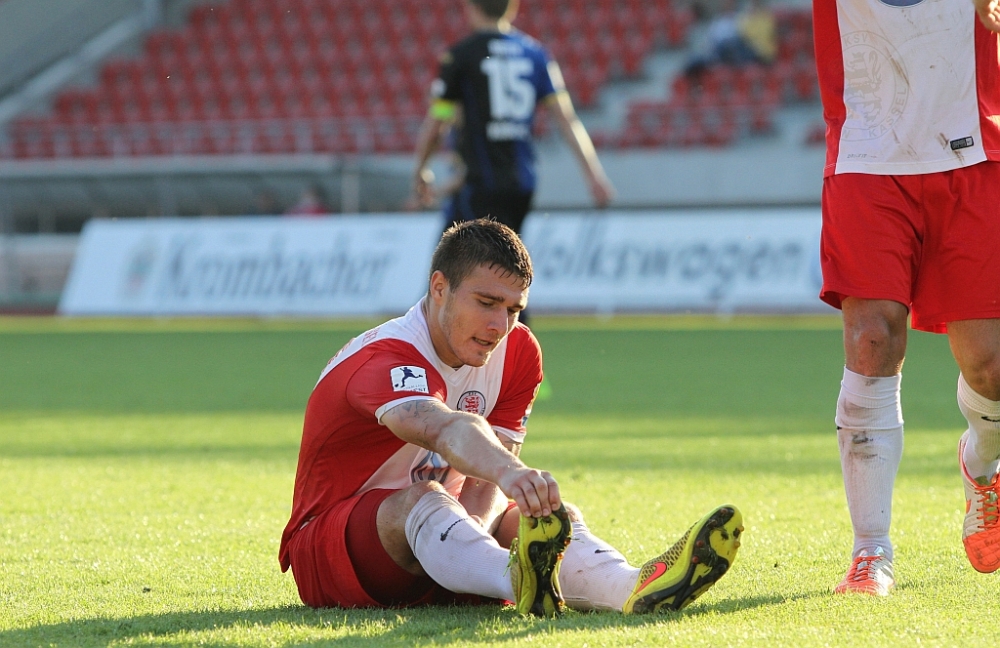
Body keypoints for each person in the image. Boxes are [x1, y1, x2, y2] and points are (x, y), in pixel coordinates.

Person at [278, 218, 743, 615]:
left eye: (514, 309)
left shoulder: (518, 352)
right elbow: (444, 428)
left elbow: (485, 486)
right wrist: (510, 472)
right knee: (424, 498)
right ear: (439, 288)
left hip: (443, 545)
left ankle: (633, 588)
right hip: (334, 555)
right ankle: (516, 578)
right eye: (486, 303)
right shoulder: (386, 356)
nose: (500, 326)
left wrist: (479, 532)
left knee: (544, 518)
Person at [813, 0, 1000, 596]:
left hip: (973, 146)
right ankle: (870, 550)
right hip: (869, 147)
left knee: (993, 367)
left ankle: (982, 461)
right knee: (872, 339)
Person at [411, 0, 614, 237]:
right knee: (504, 255)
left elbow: (438, 122)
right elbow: (567, 120)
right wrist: (594, 175)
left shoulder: (460, 56)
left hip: (481, 182)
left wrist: (421, 169)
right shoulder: (537, 55)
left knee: (455, 257)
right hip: (522, 183)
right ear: (513, 8)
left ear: (471, 7)